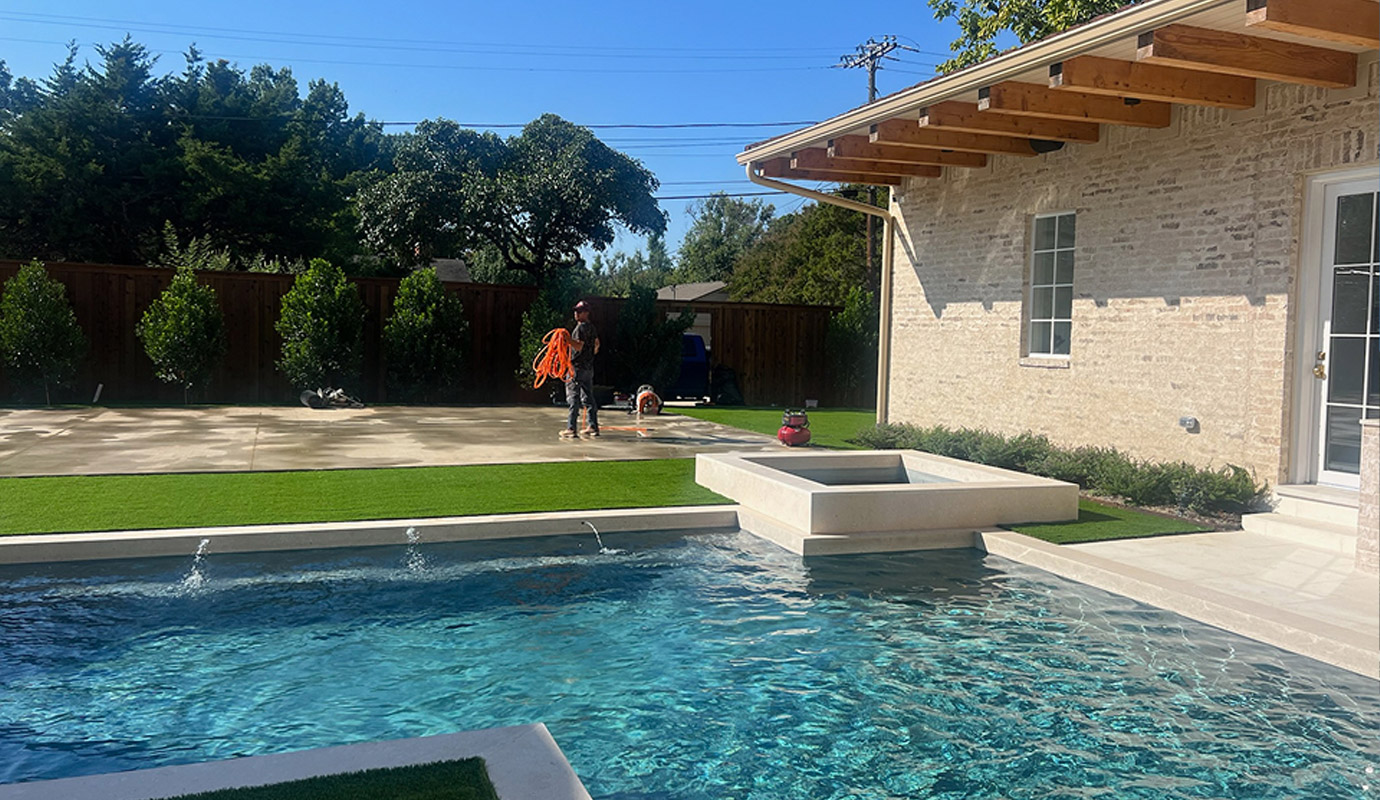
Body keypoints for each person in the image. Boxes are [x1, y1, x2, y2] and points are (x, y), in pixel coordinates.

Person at [562, 300, 600, 438]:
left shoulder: (580, 328)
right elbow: (596, 345)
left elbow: (578, 346)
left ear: (586, 313)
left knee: (573, 397)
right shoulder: (592, 328)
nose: (576, 314)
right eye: (575, 311)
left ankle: (571, 428)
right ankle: (592, 426)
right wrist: (589, 355)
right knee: (588, 397)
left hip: (577, 367)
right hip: (588, 368)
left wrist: (567, 340)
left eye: (579, 311)